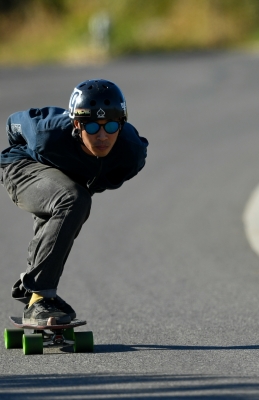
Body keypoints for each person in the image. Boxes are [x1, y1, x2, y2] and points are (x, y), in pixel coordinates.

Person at [0, 79, 148, 325]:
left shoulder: (131, 154)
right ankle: (40, 297)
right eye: (92, 127)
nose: (102, 136)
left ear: (121, 125)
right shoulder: (46, 133)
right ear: (77, 124)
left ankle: (35, 293)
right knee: (73, 199)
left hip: (65, 179)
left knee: (71, 200)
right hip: (21, 168)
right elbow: (12, 124)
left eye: (111, 125)